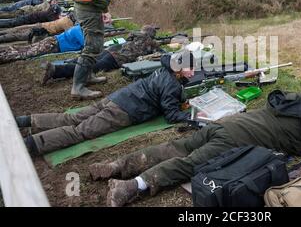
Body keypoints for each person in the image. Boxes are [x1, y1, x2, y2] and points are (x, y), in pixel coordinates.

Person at [86, 87, 301, 207]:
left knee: (175, 147)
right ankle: (131, 186)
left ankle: (117, 165)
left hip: (225, 125)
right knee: (190, 164)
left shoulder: (288, 99)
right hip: (234, 141)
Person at [16, 51, 195, 156]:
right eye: (190, 67)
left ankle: (26, 121)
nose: (193, 72)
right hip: (124, 111)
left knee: (72, 117)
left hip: (117, 98)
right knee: (80, 132)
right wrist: (193, 114)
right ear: (178, 69)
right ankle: (31, 144)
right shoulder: (172, 84)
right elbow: (171, 115)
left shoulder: (165, 70)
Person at [41, 25, 161, 84]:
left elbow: (130, 36)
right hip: (118, 59)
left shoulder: (134, 35)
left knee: (89, 61)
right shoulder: (152, 43)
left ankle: (70, 62)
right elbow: (161, 54)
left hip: (110, 50)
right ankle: (56, 70)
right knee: (92, 68)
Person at [0, 24, 84, 65]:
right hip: (53, 44)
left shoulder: (78, 28)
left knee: (25, 49)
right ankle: (3, 57)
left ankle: (4, 52)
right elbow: (88, 45)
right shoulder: (78, 30)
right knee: (26, 54)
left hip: (52, 42)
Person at [0, 12, 75, 44]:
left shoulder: (66, 18)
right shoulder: (68, 23)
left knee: (17, 29)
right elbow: (70, 36)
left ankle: (2, 33)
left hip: (40, 25)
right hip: (41, 31)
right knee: (17, 35)